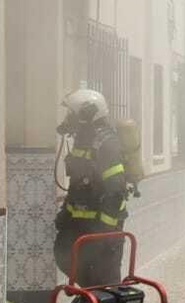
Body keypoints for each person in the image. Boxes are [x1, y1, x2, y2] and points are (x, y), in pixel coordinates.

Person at [54, 86, 131, 287]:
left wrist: (104, 230)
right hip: (80, 225)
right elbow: (78, 184)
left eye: (71, 114)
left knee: (104, 281)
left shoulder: (107, 144)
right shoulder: (83, 141)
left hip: (103, 228)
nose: (68, 119)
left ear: (86, 114)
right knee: (65, 256)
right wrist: (66, 214)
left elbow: (116, 190)